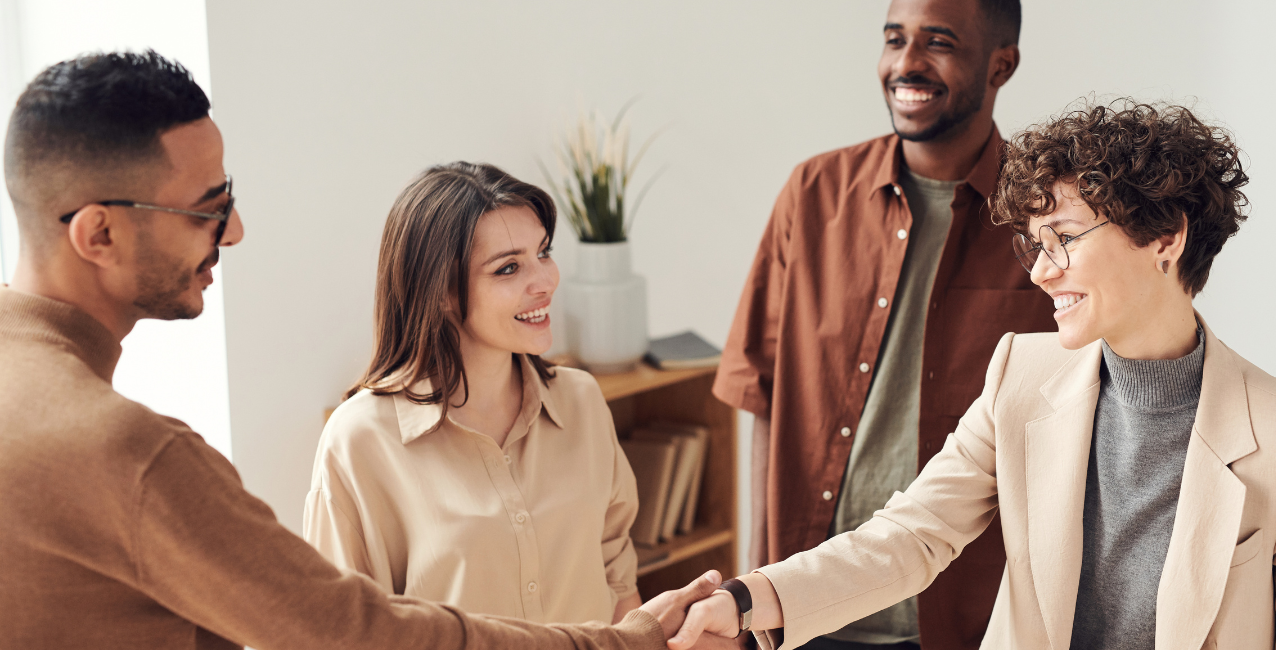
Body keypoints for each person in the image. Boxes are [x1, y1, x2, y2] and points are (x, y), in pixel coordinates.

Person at [0, 49, 731, 650]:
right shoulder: (131, 451)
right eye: (208, 209)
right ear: (97, 234)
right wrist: (625, 643)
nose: (236, 231)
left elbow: (612, 563)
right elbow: (347, 631)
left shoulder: (578, 402)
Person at [670, 100, 1276, 650]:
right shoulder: (1020, 376)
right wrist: (749, 601)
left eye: (1067, 238)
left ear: (1165, 239)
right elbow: (912, 534)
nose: (1040, 270)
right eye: (1035, 242)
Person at [712, 0, 1054, 647]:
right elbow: (761, 394)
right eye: (894, 39)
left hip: (969, 615)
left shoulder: (1041, 220)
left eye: (939, 43)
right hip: (804, 604)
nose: (905, 64)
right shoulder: (812, 194)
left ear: (1000, 65)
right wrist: (759, 582)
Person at [304, 162, 641, 625]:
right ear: (441, 290)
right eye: (508, 268)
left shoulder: (581, 401)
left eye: (543, 252)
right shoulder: (361, 440)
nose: (544, 281)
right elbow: (340, 629)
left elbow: (617, 577)